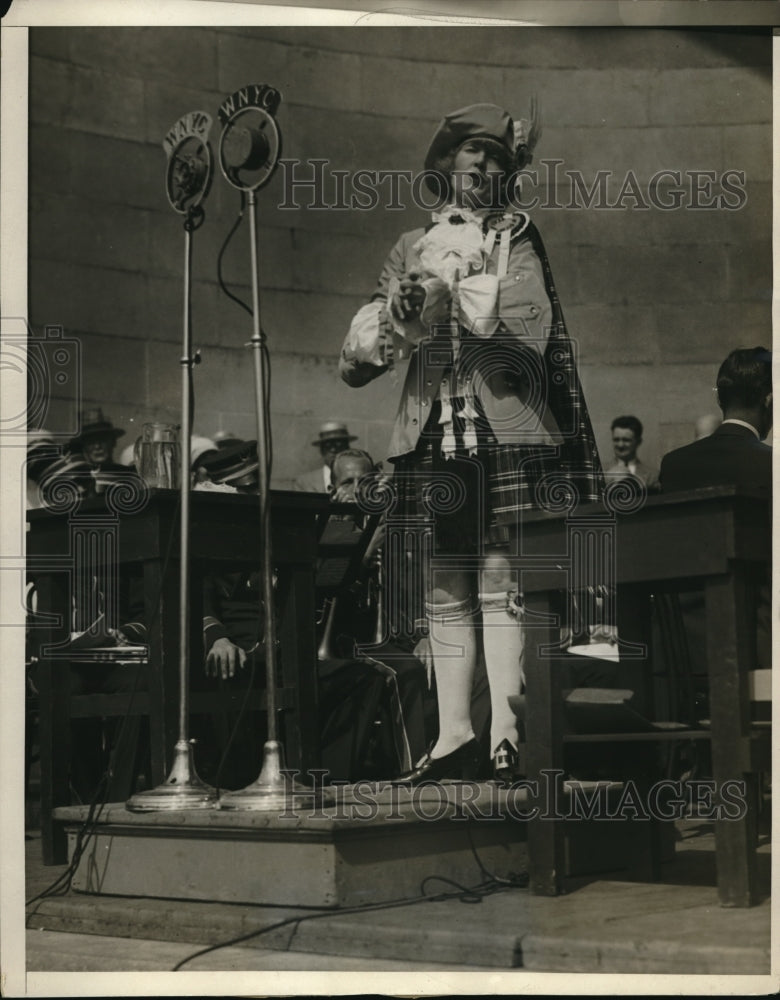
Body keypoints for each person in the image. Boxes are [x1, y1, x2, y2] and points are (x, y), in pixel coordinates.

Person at [340, 102, 603, 783]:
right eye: (470, 156)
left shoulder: (515, 235)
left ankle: (507, 736)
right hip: (433, 428)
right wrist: (398, 313)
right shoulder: (409, 243)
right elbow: (366, 355)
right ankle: (455, 732)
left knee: (499, 577)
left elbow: (527, 326)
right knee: (443, 583)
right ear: (446, 168)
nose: (482, 167)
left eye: (495, 158)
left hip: (503, 428)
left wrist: (456, 294)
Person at [660, 347, 772, 675]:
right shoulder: (770, 464)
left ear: (721, 398)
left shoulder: (674, 465)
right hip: (755, 645)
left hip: (684, 646)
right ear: (768, 400)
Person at [293, 421, 357, 493]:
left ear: (347, 448)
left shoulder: (358, 477)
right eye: (328, 446)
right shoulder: (304, 482)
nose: (333, 450)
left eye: (339, 445)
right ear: (321, 450)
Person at [606, 415, 660, 492]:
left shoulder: (653, 476)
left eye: (626, 440)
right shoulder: (601, 472)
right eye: (616, 440)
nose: (620, 445)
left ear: (638, 441)